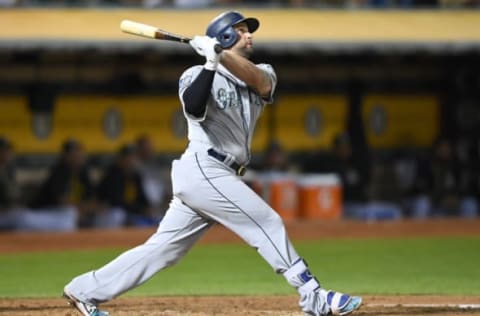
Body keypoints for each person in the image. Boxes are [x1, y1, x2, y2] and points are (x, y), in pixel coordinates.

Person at [63, 11, 362, 316]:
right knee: (267, 221)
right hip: (204, 168)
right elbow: (193, 108)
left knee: (163, 251)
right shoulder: (194, 74)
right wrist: (209, 63)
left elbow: (259, 82)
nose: (250, 36)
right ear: (225, 36)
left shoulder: (264, 71)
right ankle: (312, 295)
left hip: (221, 173)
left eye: (249, 31)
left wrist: (218, 55)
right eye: (242, 31)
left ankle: (84, 290)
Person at [21, 139, 95, 231]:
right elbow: (60, 200)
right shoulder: (59, 171)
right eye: (73, 153)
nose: (78, 155)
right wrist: (80, 208)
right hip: (46, 212)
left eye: (79, 152)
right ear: (65, 156)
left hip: (67, 215)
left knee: (73, 216)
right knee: (69, 215)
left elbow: (92, 198)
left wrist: (88, 207)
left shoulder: (83, 173)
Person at [94, 143, 149, 227]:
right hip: (108, 213)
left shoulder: (135, 175)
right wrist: (138, 209)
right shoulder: (112, 174)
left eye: (133, 157)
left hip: (130, 211)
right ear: (120, 158)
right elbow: (116, 201)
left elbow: (142, 197)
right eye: (127, 157)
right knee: (118, 214)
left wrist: (147, 208)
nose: (131, 160)